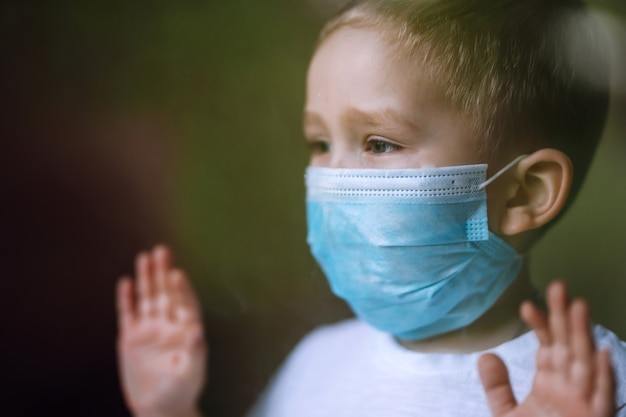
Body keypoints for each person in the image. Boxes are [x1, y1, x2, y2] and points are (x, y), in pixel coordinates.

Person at [116, 0, 626, 416]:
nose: (332, 179)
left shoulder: (592, 386)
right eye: (319, 144)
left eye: (379, 144)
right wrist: (170, 409)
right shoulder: (317, 363)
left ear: (524, 194)